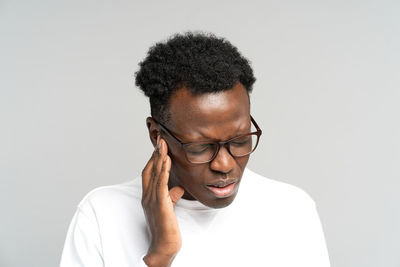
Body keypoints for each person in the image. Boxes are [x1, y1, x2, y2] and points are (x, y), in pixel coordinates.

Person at [60, 32, 330, 267]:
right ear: (157, 135)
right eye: (201, 147)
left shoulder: (291, 210)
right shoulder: (102, 214)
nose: (224, 165)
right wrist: (158, 257)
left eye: (239, 140)